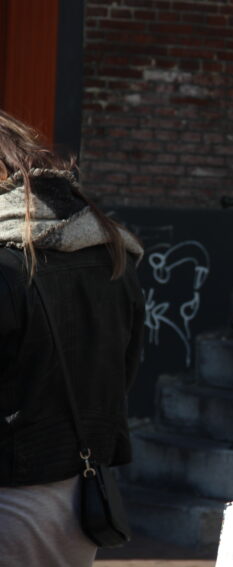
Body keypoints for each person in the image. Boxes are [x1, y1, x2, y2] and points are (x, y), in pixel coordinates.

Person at [0, 110, 145, 565]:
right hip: (80, 493)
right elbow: (125, 369)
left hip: (13, 494)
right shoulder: (109, 252)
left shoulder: (6, 262)